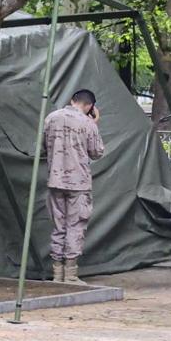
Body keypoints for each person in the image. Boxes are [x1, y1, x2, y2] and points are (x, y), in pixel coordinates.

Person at [42, 88, 105, 283]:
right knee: (75, 226)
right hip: (79, 184)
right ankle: (70, 275)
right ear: (90, 107)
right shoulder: (88, 123)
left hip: (55, 180)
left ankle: (57, 275)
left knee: (58, 226)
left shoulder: (51, 118)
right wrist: (94, 123)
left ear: (71, 100)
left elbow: (44, 146)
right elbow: (97, 152)